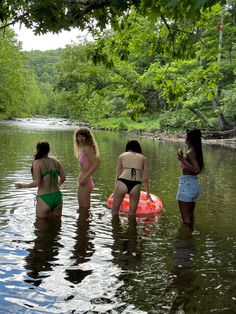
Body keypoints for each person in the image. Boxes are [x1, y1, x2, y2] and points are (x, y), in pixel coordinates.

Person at [15, 141, 66, 218]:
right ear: (49, 150)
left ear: (37, 150)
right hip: (57, 197)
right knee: (57, 226)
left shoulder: (37, 163)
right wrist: (58, 186)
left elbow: (36, 182)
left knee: (40, 228)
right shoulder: (55, 161)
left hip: (44, 198)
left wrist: (22, 185)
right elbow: (63, 178)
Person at [112, 140, 151, 216]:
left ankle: (116, 227)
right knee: (132, 214)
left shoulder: (122, 156)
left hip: (122, 182)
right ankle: (132, 227)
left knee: (114, 212)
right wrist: (148, 193)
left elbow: (118, 175)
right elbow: (145, 178)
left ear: (127, 147)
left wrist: (114, 191)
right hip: (136, 184)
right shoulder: (143, 158)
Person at [176, 128, 204, 225]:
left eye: (187, 135)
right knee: (190, 217)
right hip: (193, 184)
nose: (185, 137)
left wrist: (182, 160)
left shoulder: (190, 152)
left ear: (190, 138)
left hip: (187, 184)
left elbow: (196, 170)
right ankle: (190, 236)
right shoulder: (196, 150)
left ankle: (185, 239)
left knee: (185, 219)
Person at [74, 127, 100, 209]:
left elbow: (96, 163)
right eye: (78, 136)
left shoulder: (87, 148)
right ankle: (86, 222)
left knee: (83, 210)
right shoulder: (84, 148)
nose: (80, 138)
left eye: (82, 136)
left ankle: (84, 222)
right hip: (85, 181)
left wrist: (85, 178)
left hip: (85, 182)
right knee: (84, 209)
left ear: (87, 137)